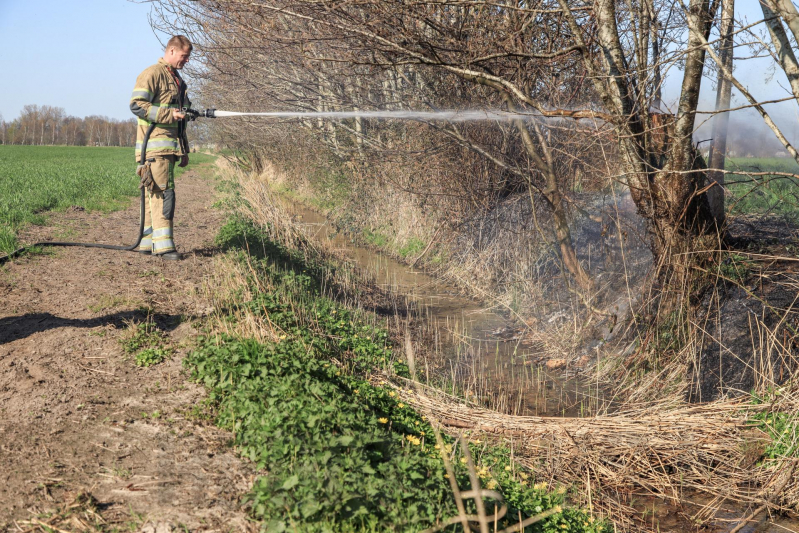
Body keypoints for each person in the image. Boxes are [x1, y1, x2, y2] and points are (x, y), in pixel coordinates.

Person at [129, 35, 193, 260]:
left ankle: (147, 243)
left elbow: (180, 120)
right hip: (154, 148)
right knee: (163, 195)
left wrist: (183, 150)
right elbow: (136, 105)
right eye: (184, 56)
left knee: (154, 194)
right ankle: (165, 247)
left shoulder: (177, 80)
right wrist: (169, 114)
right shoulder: (153, 74)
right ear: (172, 51)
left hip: (168, 149)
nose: (186, 61)